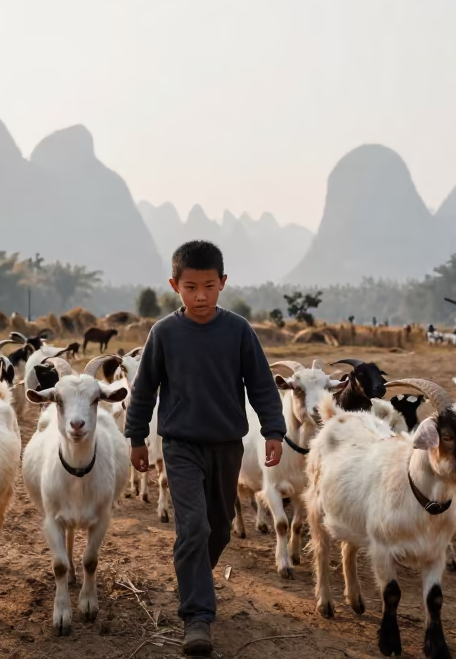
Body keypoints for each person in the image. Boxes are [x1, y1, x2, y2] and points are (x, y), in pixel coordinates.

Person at [124, 240, 285, 656]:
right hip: (180, 445)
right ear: (174, 285)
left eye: (209, 286)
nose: (200, 296)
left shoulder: (238, 331)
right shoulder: (164, 333)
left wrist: (273, 430)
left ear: (223, 284)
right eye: (190, 286)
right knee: (192, 526)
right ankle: (197, 616)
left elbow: (262, 385)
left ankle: (192, 572)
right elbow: (143, 391)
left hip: (227, 444)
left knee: (220, 525)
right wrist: (137, 437)